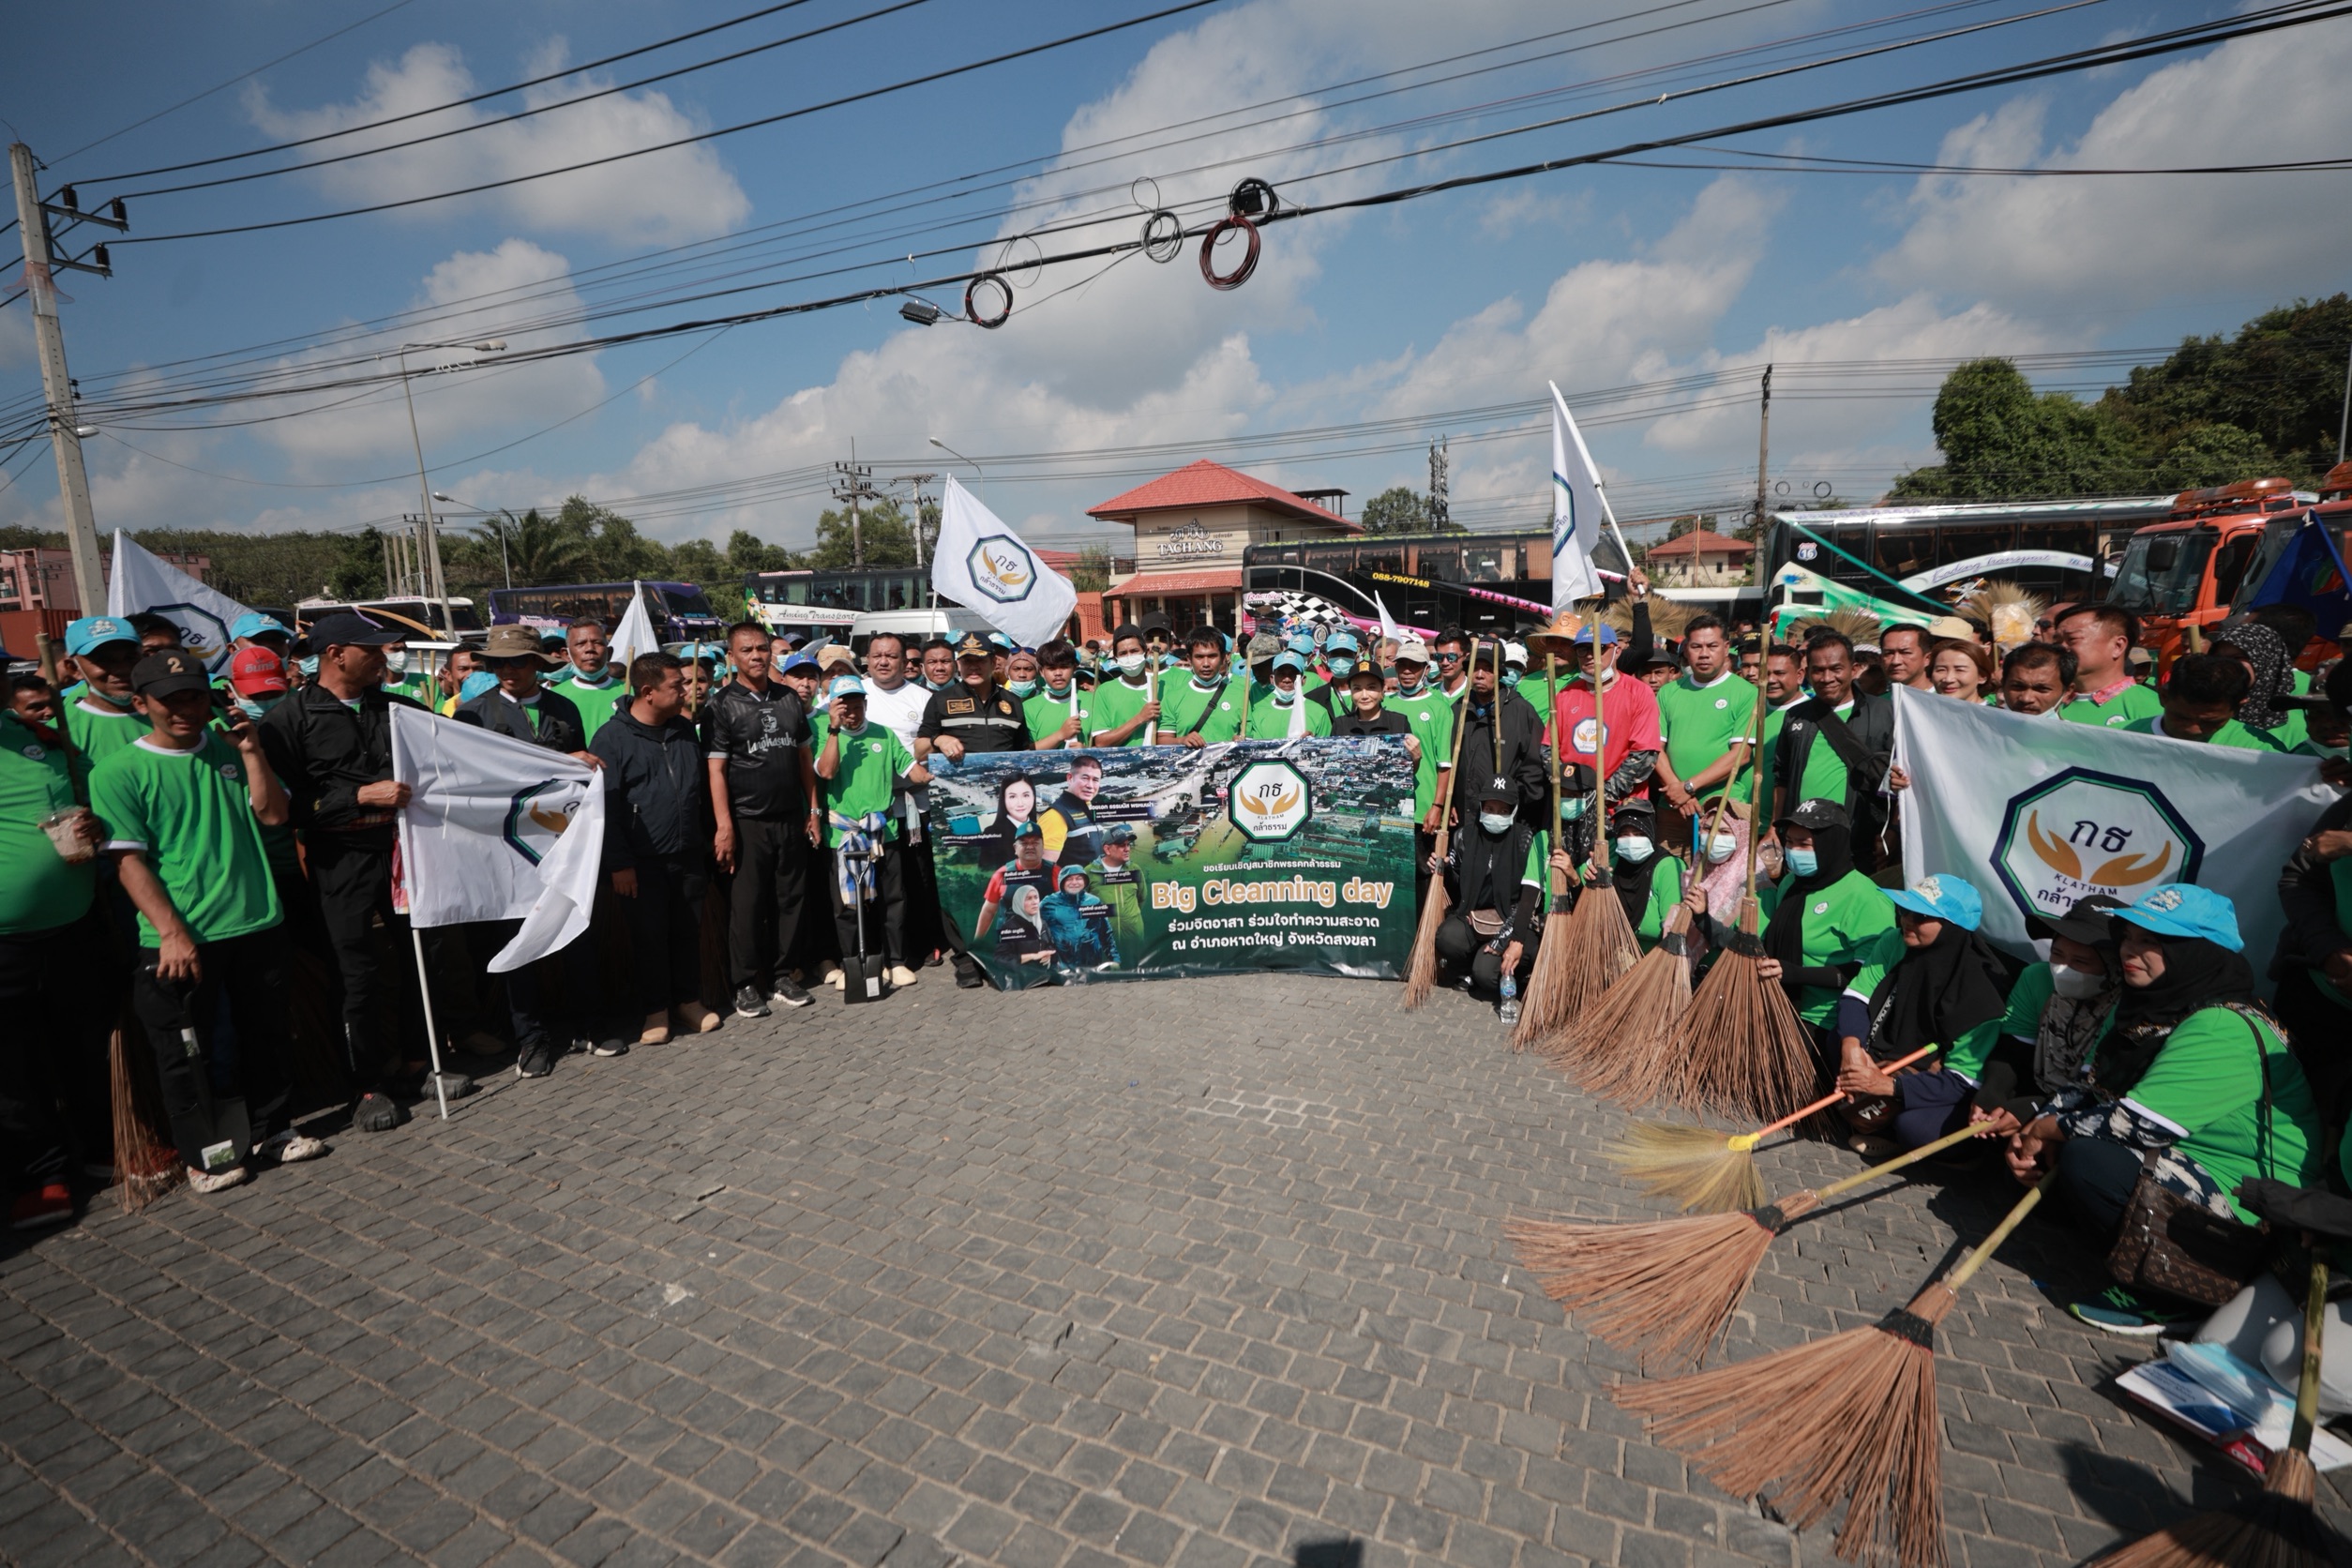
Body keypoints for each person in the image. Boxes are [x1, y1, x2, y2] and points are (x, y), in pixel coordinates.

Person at [2005, 884, 2326, 1334]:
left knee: (2090, 1160)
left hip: (2251, 1202)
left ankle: (2180, 1293)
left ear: (2197, 953)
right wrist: (2035, 1130)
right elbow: (2087, 1086)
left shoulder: (2224, 1023)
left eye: (2152, 942)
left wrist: (2049, 1129)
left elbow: (2135, 1125)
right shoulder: (2144, 1008)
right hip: (2183, 1157)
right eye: (2129, 937)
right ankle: (2133, 1249)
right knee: (2055, 1156)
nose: (2130, 951)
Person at [95, 649, 325, 1193]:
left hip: (257, 922)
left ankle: (272, 1129)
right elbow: (128, 862)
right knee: (185, 1052)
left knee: (265, 1033)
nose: (185, 709)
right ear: (140, 702)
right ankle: (207, 1154)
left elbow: (272, 815)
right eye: (169, 700)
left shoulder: (233, 749)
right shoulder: (118, 771)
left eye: (194, 696)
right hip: (181, 938)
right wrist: (172, 933)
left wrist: (249, 752)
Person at [259, 611, 446, 1133]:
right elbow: (283, 809)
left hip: (405, 852)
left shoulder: (401, 709)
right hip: (337, 860)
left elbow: (466, 756)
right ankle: (365, 1087)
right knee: (354, 974)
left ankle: (419, 1063)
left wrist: (559, 761)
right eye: (374, 649)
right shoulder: (286, 720)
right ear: (336, 653)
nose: (385, 657)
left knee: (421, 955)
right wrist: (357, 795)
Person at [0, 667, 105, 1227]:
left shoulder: (37, 735)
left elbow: (89, 793)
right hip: (4, 942)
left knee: (83, 1042)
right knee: (11, 1065)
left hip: (73, 923)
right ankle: (40, 1176)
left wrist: (94, 820)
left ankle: (98, 1150)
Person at [1707, 799, 1899, 1077]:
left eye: (1804, 844)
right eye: (1790, 842)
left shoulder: (1865, 898)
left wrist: (1797, 974)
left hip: (1821, 1022)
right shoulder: (1791, 883)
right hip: (1771, 1007)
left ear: (1831, 843)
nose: (1794, 851)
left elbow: (1869, 975)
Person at [1826, 873, 2013, 1155]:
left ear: (1952, 927)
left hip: (1945, 1082)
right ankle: (1872, 1119)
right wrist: (1853, 1049)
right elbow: (1857, 996)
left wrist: (1887, 1085)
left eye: (1921, 917)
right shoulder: (1895, 941)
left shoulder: (1980, 995)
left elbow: (1963, 1080)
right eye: (1905, 911)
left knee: (1914, 1127)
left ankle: (1956, 1155)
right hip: (1890, 1054)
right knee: (1837, 1039)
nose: (1907, 921)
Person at [596, 652, 721, 1048]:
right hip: (640, 863)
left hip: (687, 855)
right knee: (649, 938)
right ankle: (655, 1010)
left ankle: (687, 1000)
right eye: (677, 685)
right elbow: (604, 807)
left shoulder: (684, 730)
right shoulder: (611, 739)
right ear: (648, 692)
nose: (686, 691)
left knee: (687, 932)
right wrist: (619, 863)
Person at [703, 620, 821, 1018]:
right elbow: (716, 772)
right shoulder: (720, 705)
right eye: (747, 650)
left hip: (791, 817)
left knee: (791, 899)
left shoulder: (789, 699)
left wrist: (813, 810)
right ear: (732, 657)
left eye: (762, 649)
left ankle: (784, 973)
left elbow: (805, 759)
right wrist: (724, 826)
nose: (756, 656)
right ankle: (745, 982)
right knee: (748, 904)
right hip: (747, 820)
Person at [814, 674, 927, 990]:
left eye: (856, 702)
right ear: (833, 706)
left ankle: (895, 961)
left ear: (865, 703)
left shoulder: (884, 734)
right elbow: (826, 771)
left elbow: (911, 770)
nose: (851, 709)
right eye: (843, 704)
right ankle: (853, 960)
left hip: (883, 830)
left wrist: (942, 771)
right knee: (848, 904)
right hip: (844, 834)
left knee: (894, 898)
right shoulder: (822, 731)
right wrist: (834, 730)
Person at [1771, 632, 1892, 870]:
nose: (1827, 678)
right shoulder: (1796, 715)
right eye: (1818, 670)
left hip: (1859, 844)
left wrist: (1893, 832)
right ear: (1807, 672)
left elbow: (1901, 780)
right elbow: (1782, 778)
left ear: (1853, 668)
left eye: (1836, 668)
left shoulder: (1885, 713)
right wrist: (1774, 828)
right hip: (1801, 843)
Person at [1545, 623, 1662, 867]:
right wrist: (1572, 792)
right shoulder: (1566, 694)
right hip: (1570, 808)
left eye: (1598, 648)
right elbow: (1548, 751)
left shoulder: (1638, 692)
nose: (1589, 655)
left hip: (1618, 812)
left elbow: (1644, 756)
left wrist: (1600, 796)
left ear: (1617, 650)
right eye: (1582, 650)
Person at [1432, 775, 1543, 1018]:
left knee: (1486, 975)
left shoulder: (1525, 840)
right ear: (1481, 807)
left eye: (1503, 810)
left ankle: (1510, 973)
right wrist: (1444, 868)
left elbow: (1529, 899)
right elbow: (1457, 885)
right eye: (1490, 808)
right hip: (1474, 916)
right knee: (1447, 937)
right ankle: (1467, 966)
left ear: (1514, 811)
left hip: (1513, 921)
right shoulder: (1465, 836)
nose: (1495, 815)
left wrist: (1504, 938)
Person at [1650, 614, 1750, 852]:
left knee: (1719, 884)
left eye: (1712, 646)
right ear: (1686, 650)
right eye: (1696, 647)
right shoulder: (1669, 692)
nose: (1704, 654)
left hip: (1722, 808)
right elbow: (1655, 747)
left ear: (1726, 648)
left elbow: (1741, 754)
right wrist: (1677, 790)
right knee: (1671, 876)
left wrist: (1688, 787)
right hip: (1673, 807)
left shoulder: (1746, 693)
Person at [1448, 639, 1545, 832]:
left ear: (1500, 673)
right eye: (1475, 668)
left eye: (1488, 669)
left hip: (1504, 820)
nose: (1480, 675)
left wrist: (1511, 804)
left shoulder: (1520, 711)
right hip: (1462, 819)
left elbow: (1535, 770)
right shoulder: (1458, 709)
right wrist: (1449, 801)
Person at [456, 626, 593, 760]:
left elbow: (581, 761)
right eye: (498, 661)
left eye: (517, 661)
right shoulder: (473, 715)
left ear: (537, 662)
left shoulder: (565, 709)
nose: (507, 670)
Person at [1384, 639, 1455, 870]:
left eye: (1413, 666)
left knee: (1425, 877)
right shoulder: (1385, 703)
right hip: (1391, 808)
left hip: (1423, 810)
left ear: (1426, 669)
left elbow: (1444, 764)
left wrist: (1437, 806)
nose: (1406, 671)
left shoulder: (1439, 706)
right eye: (1402, 664)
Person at [2124, 653, 2287, 750]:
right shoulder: (2119, 737)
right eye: (2182, 718)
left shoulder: (2264, 753)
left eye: (2210, 722)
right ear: (2164, 696)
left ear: (2238, 707)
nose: (2193, 730)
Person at [917, 632, 1032, 765]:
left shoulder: (1013, 701)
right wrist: (938, 740)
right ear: (958, 664)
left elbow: (1023, 752)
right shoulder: (940, 700)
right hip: (957, 784)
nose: (973, 666)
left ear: (993, 663)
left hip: (1003, 783)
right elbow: (919, 753)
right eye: (967, 661)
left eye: (980, 660)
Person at [61, 617, 148, 768]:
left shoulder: (175, 713)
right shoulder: (59, 733)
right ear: (74, 669)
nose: (123, 669)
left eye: (130, 658)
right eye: (104, 660)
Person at [2054, 605, 2160, 729]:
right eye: (2056, 642)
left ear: (2117, 646)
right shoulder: (2043, 701)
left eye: (2072, 639)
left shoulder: (2153, 708)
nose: (2060, 648)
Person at [2212, 617, 2306, 749]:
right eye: (2217, 658)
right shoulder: (2196, 715)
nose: (2224, 665)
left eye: (2238, 658)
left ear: (2266, 661)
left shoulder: (2297, 729)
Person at [975, 821, 1056, 968]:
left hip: (1047, 947)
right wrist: (977, 943)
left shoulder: (1056, 873)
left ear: (1043, 846)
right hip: (1012, 951)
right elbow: (988, 911)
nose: (1030, 847)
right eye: (1024, 843)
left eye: (1035, 842)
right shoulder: (1001, 875)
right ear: (1015, 848)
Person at [1161, 626, 1240, 745]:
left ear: (1223, 658)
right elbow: (1162, 740)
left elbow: (1249, 736)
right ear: (1189, 659)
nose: (1206, 664)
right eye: (1199, 657)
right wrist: (1182, 740)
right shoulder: (1172, 697)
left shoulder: (1241, 694)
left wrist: (1242, 742)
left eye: (1212, 656)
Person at [1086, 626, 1162, 746]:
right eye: (1123, 653)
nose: (1129, 657)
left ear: (1146, 653)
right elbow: (1101, 742)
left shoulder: (1160, 687)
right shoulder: (1105, 691)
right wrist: (1140, 718)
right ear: (1115, 659)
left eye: (1134, 651)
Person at [552, 618, 624, 742]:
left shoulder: (630, 693)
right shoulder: (553, 697)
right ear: (566, 654)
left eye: (597, 643)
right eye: (580, 644)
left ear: (609, 652)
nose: (590, 649)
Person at [1241, 650, 1334, 739]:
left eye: (1293, 674)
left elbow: (1328, 751)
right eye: (1281, 674)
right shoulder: (1258, 715)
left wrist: (1313, 745)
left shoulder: (1319, 713)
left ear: (1303, 680)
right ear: (1272, 679)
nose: (1287, 680)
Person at [1041, 865, 1118, 971]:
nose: (1074, 882)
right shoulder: (1048, 903)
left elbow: (1106, 934)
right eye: (1069, 879)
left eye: (1078, 878)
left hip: (1092, 964)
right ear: (1061, 882)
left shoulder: (1094, 901)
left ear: (1085, 881)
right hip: (1062, 966)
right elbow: (1036, 930)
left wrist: (1115, 959)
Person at [1086, 823, 1145, 960]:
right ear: (1107, 849)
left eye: (1128, 844)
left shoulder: (1135, 870)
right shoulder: (1089, 872)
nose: (1127, 849)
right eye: (1121, 845)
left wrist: (1129, 917)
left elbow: (1141, 898)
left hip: (1133, 937)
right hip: (1103, 941)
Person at [1037, 753, 1106, 869]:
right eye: (1085, 778)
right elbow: (1045, 871)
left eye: (1095, 780)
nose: (1090, 785)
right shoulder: (1055, 816)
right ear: (1070, 778)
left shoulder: (1088, 806)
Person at [1025, 640, 1089, 748]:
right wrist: (1060, 735)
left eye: (1064, 667)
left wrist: (1087, 752)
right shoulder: (1029, 707)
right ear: (1041, 671)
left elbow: (1104, 744)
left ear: (1074, 668)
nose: (1058, 673)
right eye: (1051, 668)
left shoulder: (1093, 700)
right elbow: (1026, 751)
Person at [976, 772, 1039, 874]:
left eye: (1026, 795)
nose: (1020, 803)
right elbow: (985, 872)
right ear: (1004, 799)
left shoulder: (1040, 828)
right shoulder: (991, 834)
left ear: (1033, 797)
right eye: (1012, 797)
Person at [1995, 641, 2074, 716]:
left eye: (2042, 689)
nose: (2026, 699)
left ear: (2067, 692)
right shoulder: (1984, 729)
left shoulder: (2077, 732)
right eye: (2018, 687)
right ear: (2003, 685)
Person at [1928, 639, 1993, 702]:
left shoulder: (1993, 712)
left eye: (1960, 670)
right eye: (1941, 670)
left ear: (1982, 676)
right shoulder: (1923, 711)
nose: (1948, 679)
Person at [1879, 623, 1934, 693]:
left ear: (1927, 658)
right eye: (1889, 653)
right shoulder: (1877, 702)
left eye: (1905, 653)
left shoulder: (1944, 701)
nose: (1896, 661)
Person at [435, 645, 484, 715]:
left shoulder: (498, 705)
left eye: (478, 668)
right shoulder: (442, 713)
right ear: (449, 675)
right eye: (463, 669)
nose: (471, 674)